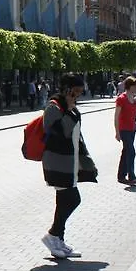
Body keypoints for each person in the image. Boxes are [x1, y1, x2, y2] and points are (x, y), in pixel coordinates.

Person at [40, 74, 98, 259]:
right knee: (72, 199)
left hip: (69, 162)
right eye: (77, 91)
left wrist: (85, 160)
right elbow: (61, 133)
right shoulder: (53, 107)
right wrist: (70, 110)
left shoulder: (68, 108)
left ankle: (58, 242)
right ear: (67, 89)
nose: (79, 95)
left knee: (63, 201)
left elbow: (77, 136)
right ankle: (52, 235)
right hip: (57, 162)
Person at [114, 76, 136, 186]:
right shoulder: (121, 98)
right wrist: (117, 132)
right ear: (129, 86)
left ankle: (121, 175)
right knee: (131, 151)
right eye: (135, 86)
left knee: (126, 152)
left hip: (132, 128)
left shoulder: (134, 98)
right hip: (123, 129)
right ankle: (131, 176)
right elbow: (116, 116)